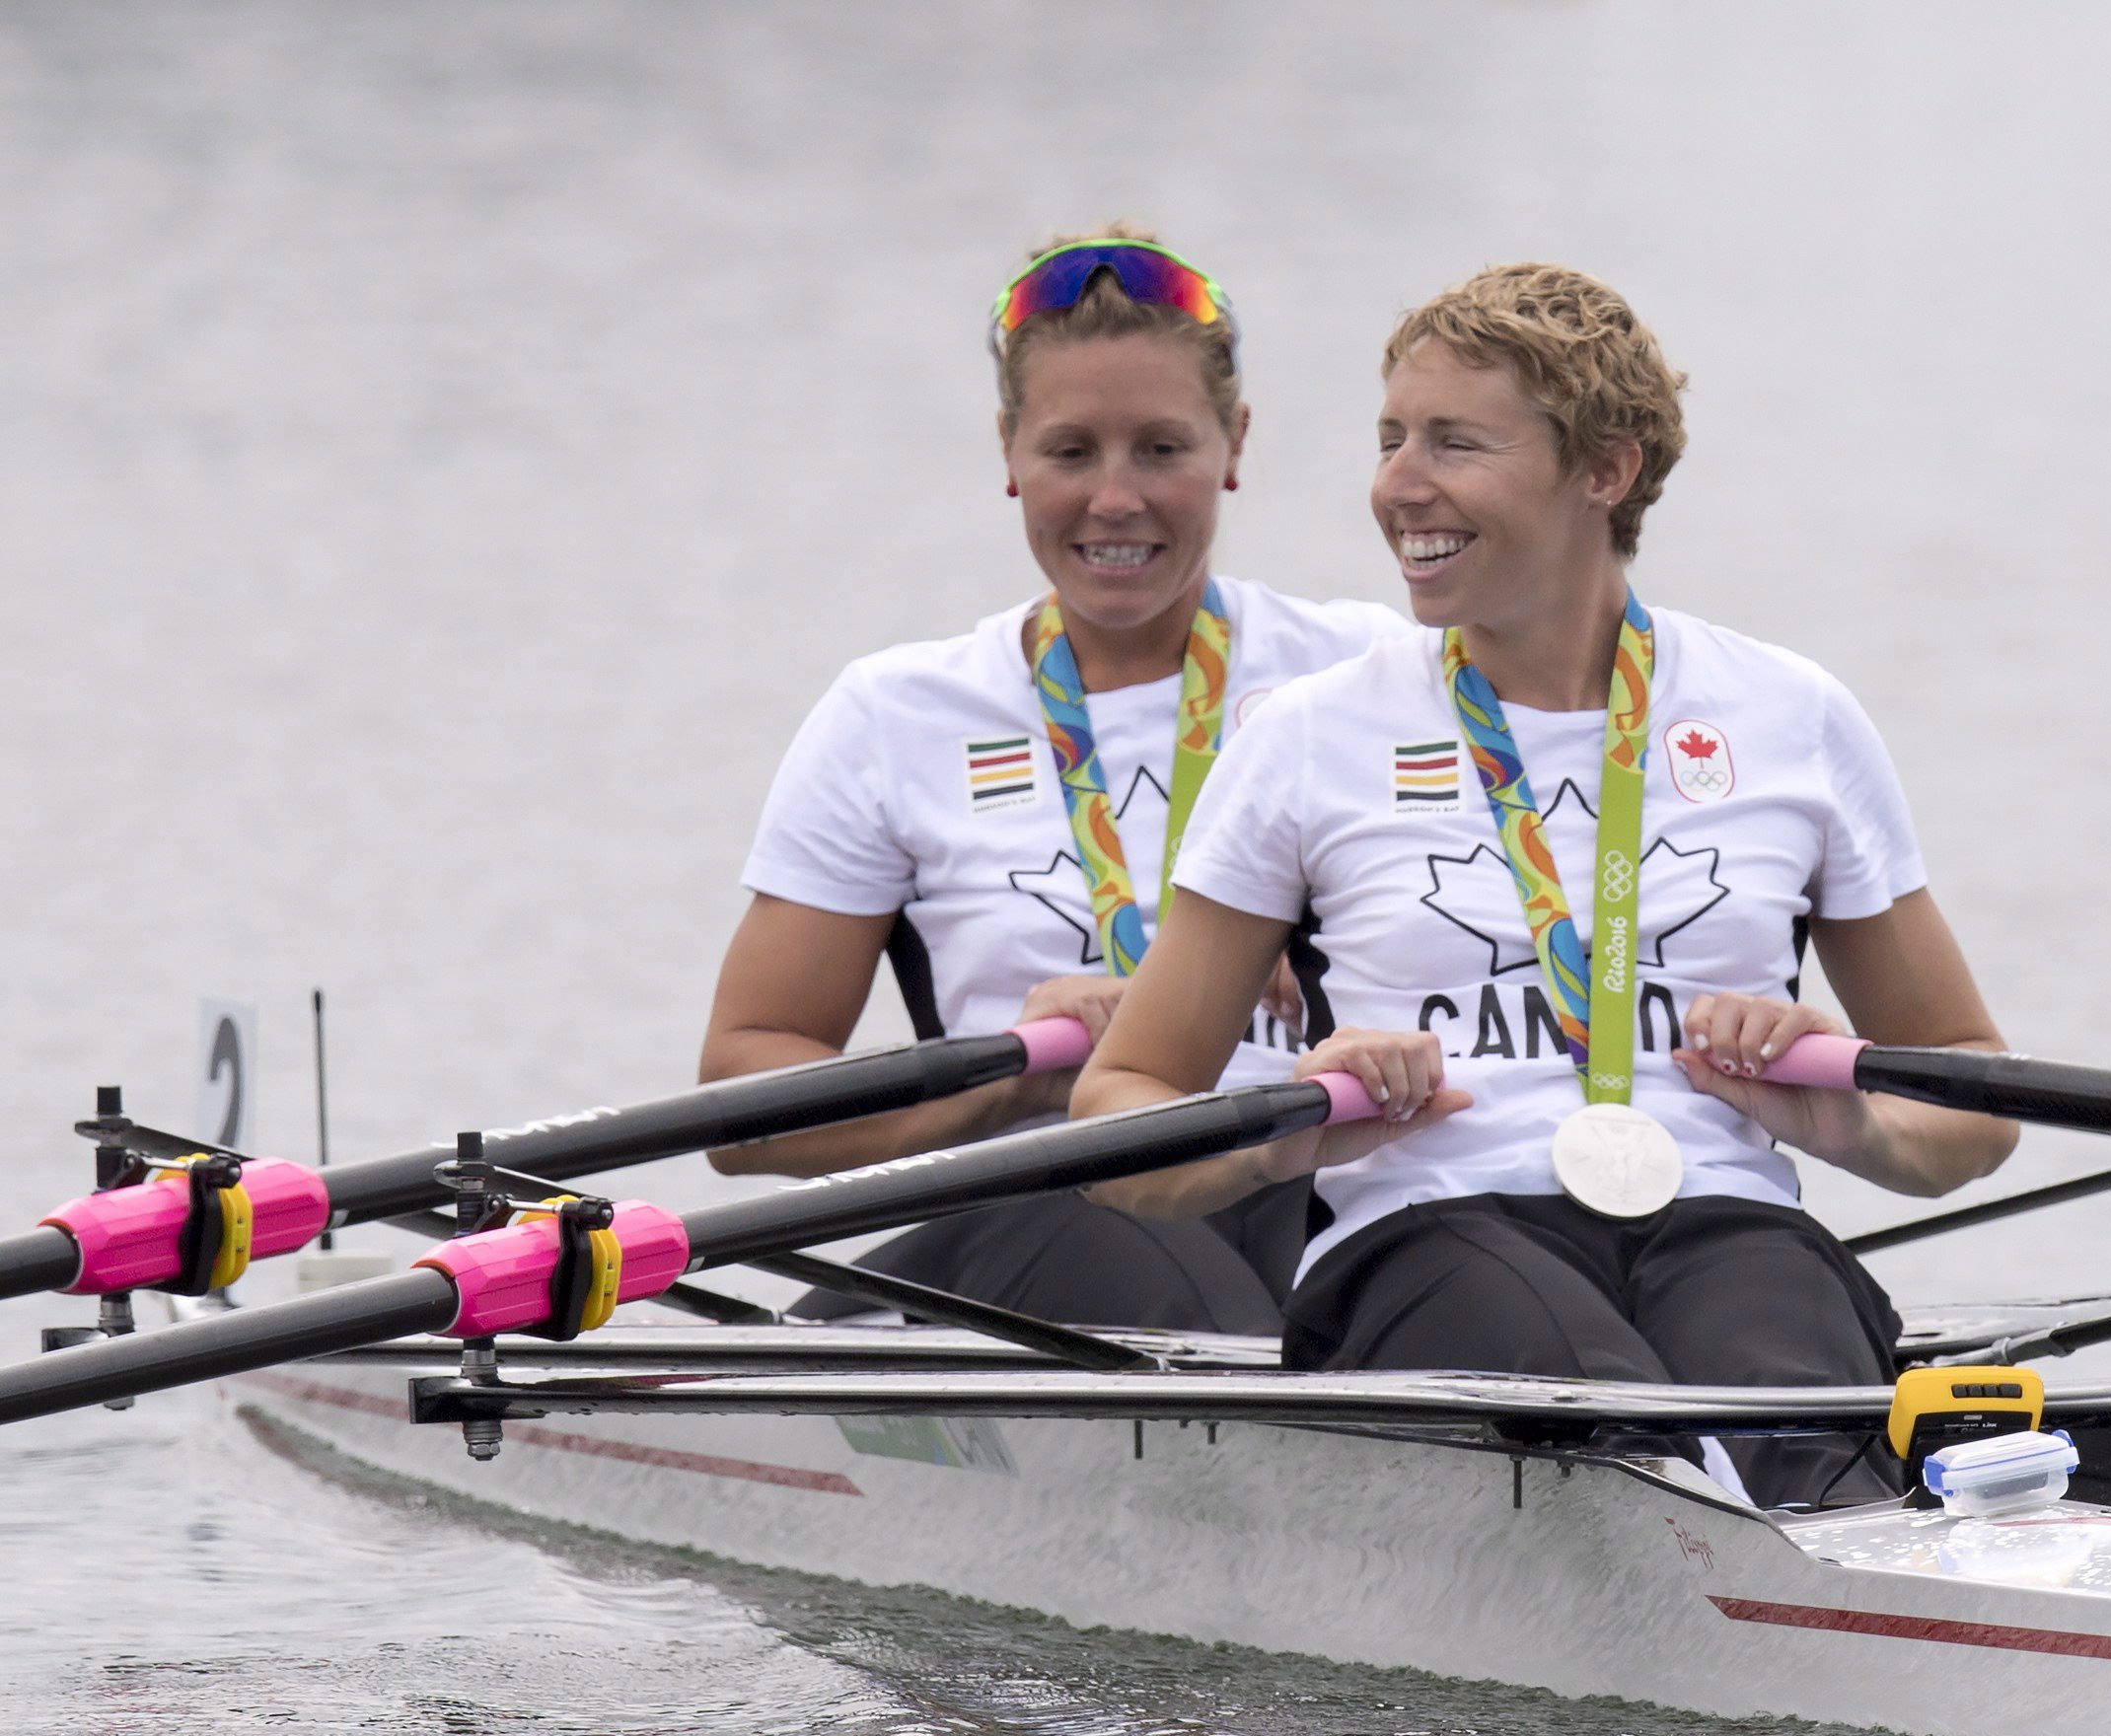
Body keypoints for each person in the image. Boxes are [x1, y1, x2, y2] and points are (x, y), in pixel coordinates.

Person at [1071, 263, 2019, 1501]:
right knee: (1598, 1425)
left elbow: (1975, 1105)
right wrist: (1291, 1128)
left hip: (1724, 1217)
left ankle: (1835, 1567)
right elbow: (1117, 1113)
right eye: (1390, 437)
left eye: (1456, 442)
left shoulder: (1792, 715)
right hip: (1427, 1231)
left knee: (1811, 1442)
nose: (1397, 484)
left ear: (1604, 472)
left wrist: (1848, 1122)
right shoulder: (1308, 736)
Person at [699, 228, 1404, 1334]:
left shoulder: (1364, 674)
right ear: (1009, 452)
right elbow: (743, 1106)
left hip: (1304, 1198)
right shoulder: (896, 715)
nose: (1114, 500)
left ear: (1234, 443)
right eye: (1072, 452)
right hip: (1034, 1213)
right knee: (1126, 1231)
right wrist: (1022, 1078)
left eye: (1161, 449)